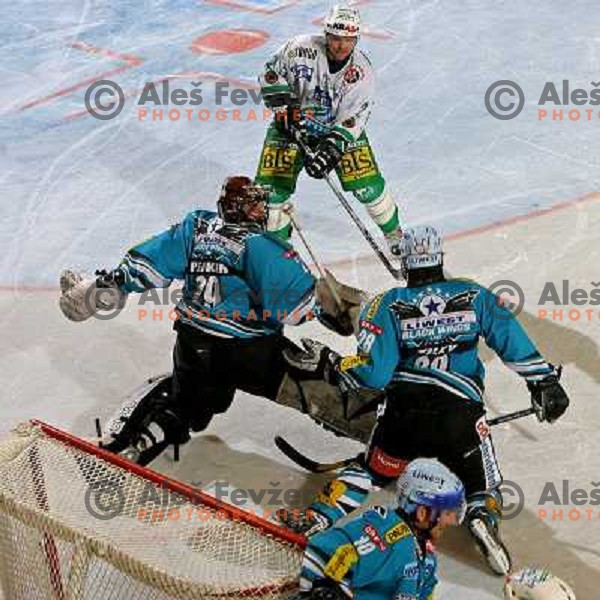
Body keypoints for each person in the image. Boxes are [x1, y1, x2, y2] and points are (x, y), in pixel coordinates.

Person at [282, 225, 570, 576]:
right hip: (460, 417)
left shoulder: (386, 304)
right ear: (439, 257)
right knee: (485, 485)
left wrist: (333, 366)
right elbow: (512, 340)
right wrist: (544, 383)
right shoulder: (474, 295)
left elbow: (373, 375)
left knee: (370, 470)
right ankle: (482, 518)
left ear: (405, 261)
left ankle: (318, 518)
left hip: (402, 417)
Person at [58, 176, 363, 465]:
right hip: (248, 353)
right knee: (313, 385)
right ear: (240, 207)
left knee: (187, 406)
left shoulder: (197, 227)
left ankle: (133, 445)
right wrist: (330, 309)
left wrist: (114, 284)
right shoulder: (262, 246)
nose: (261, 210)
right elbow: (293, 308)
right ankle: (385, 445)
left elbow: (152, 264)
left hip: (193, 343)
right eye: (255, 204)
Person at [255, 4, 404, 254]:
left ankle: (394, 235)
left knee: (368, 187)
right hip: (290, 128)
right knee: (270, 195)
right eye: (336, 38)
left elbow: (354, 119)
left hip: (337, 132)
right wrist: (284, 105)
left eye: (348, 40)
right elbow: (270, 73)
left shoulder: (362, 72)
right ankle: (277, 252)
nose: (341, 46)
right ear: (326, 35)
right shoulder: (299, 48)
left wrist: (332, 148)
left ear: (356, 38)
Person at [299, 458, 465, 600]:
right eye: (446, 512)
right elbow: (337, 552)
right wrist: (327, 588)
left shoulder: (427, 559)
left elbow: (424, 593)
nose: (449, 521)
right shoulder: (387, 531)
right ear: (422, 513)